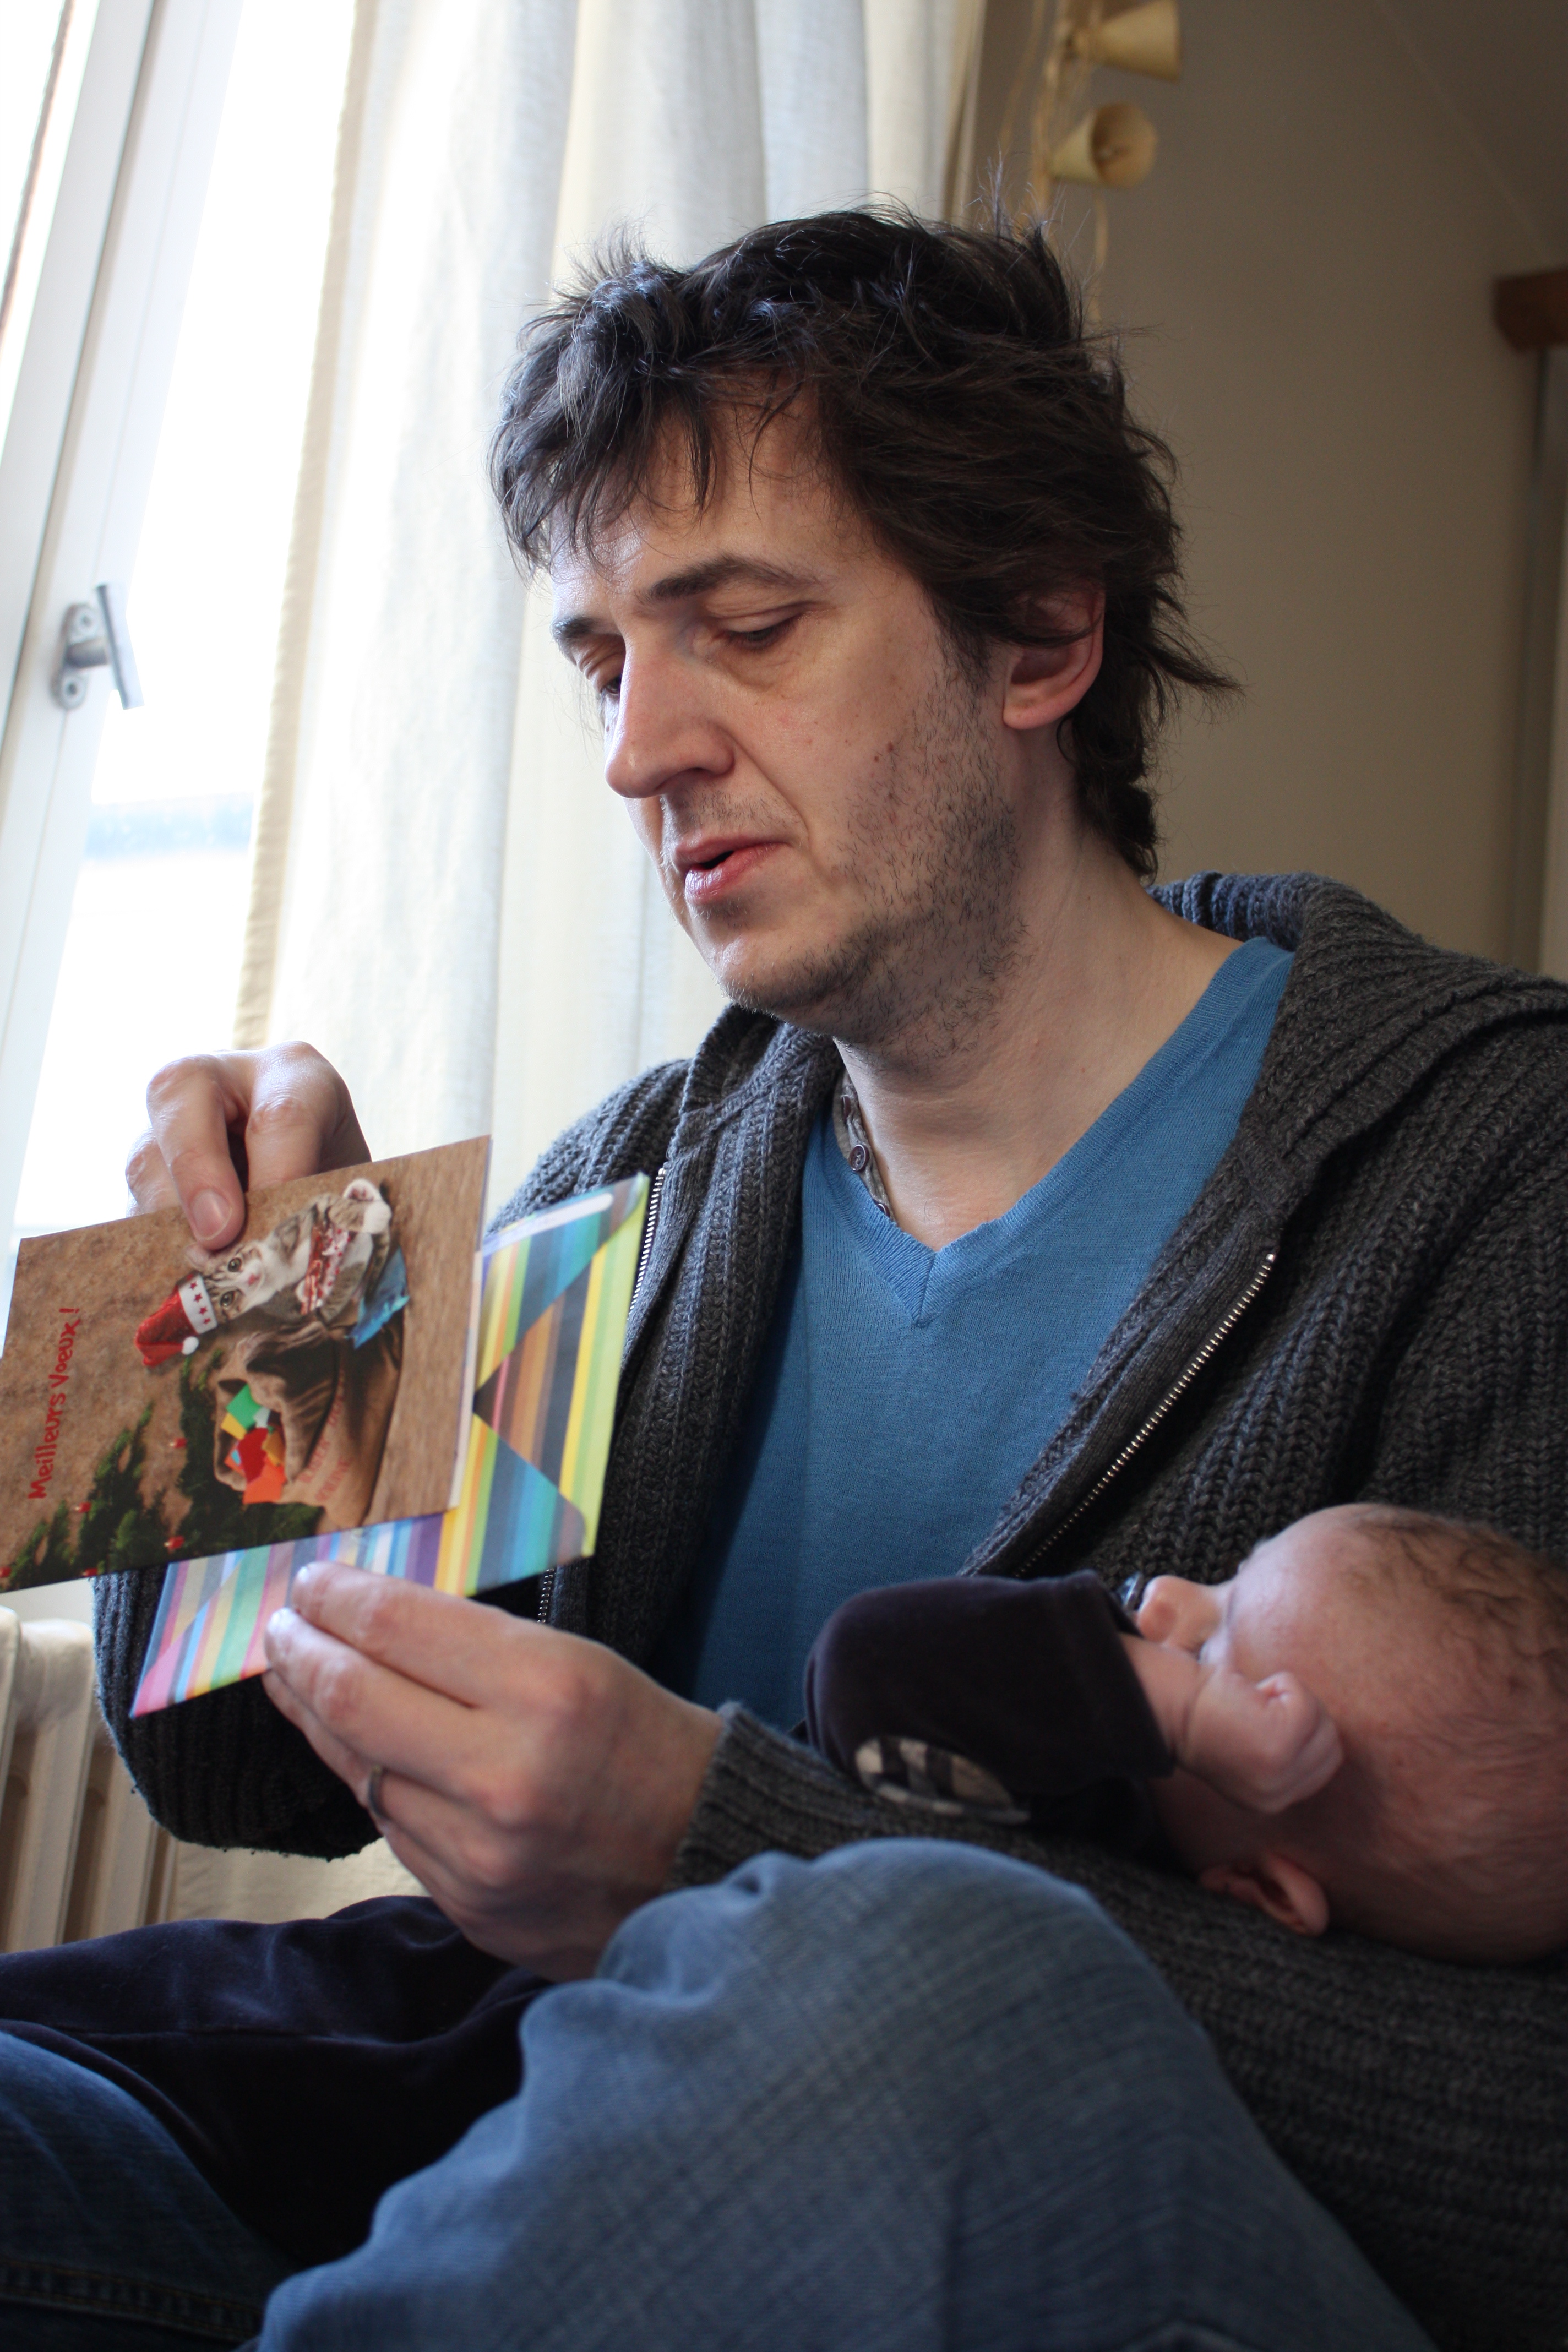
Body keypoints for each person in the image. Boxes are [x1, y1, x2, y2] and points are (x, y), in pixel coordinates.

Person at [4, 210, 1567, 2350]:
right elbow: (229, 1776)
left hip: (1127, 2250)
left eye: (741, 628)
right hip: (491, 2157)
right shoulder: (638, 1185)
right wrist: (279, 1320)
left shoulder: (1493, 1176)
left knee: (920, 1970)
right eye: (602, 662)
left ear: (1038, 632)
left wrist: (713, 1836)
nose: (639, 748)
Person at [805, 1502, 1568, 1965]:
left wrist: (1179, 1709)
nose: (1165, 1596)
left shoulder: (1086, 1799)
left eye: (1208, 1657)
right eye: (1229, 1580)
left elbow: (859, 1668)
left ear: (1264, 1891)